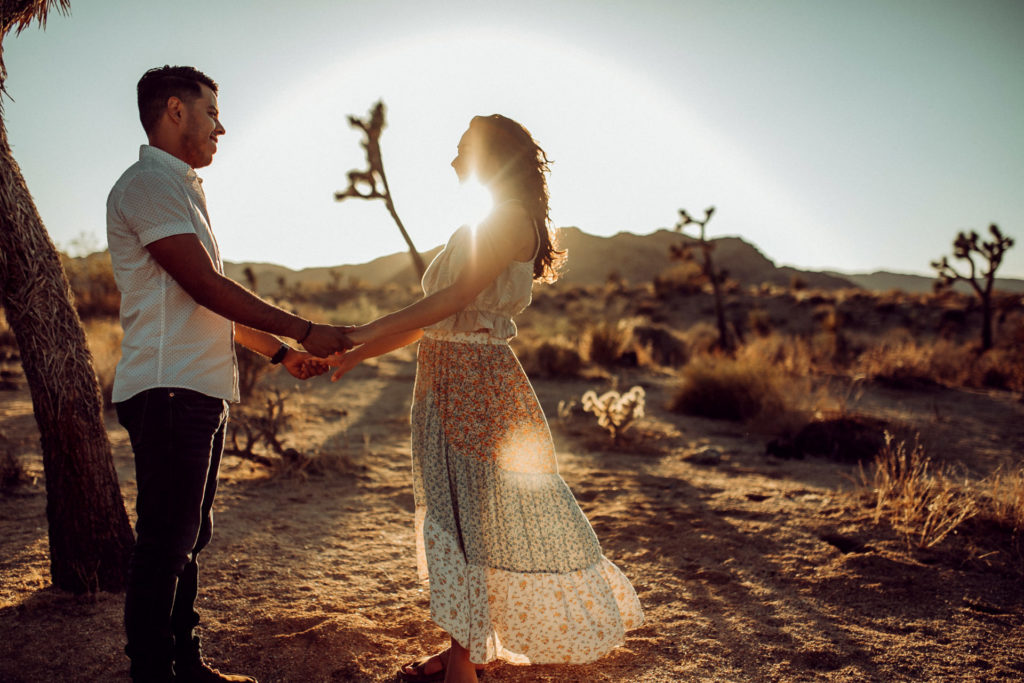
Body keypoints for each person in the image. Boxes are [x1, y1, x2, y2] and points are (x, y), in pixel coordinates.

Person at [328, 114, 643, 683]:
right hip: (445, 380)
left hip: (477, 384)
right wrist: (357, 352)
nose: (452, 161)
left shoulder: (508, 220)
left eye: (463, 150)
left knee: (472, 518)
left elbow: (453, 300)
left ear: (494, 157)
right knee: (456, 517)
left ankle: (463, 667)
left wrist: (360, 331)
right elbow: (436, 321)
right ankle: (459, 656)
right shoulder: (483, 224)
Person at [106, 65, 349, 683]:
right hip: (168, 389)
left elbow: (207, 305)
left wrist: (280, 354)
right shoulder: (147, 184)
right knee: (165, 543)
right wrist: (303, 329)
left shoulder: (184, 189)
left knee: (189, 538)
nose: (222, 126)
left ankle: (186, 664)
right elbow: (205, 284)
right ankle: (153, 673)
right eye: (212, 111)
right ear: (175, 110)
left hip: (198, 389)